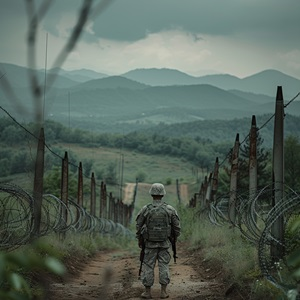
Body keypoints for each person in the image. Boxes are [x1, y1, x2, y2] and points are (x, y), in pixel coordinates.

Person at [136, 183, 181, 299]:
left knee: (148, 266)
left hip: (149, 244)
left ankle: (147, 292)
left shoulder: (146, 209)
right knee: (164, 266)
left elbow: (138, 225)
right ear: (163, 194)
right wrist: (174, 238)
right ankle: (163, 292)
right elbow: (177, 227)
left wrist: (140, 238)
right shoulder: (170, 209)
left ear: (151, 194)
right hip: (164, 244)